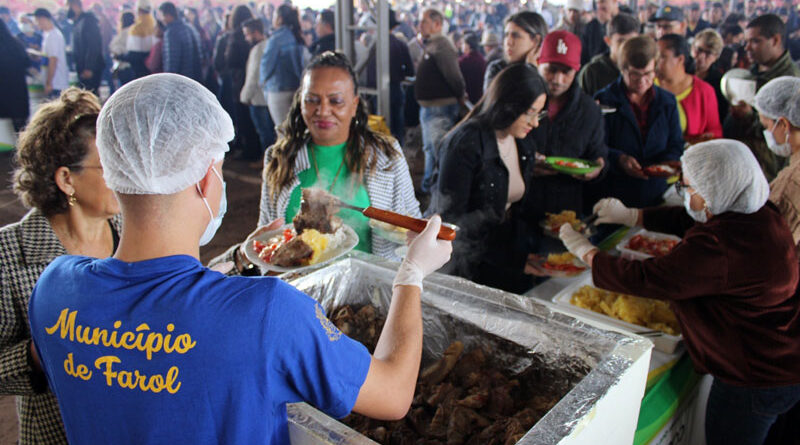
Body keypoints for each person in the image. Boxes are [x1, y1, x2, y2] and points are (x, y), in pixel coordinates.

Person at [27, 73, 451, 444]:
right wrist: (410, 275)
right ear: (205, 179)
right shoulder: (267, 311)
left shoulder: (54, 288)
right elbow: (394, 394)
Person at [559, 139, 800, 445]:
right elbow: (697, 219)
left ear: (713, 192)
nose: (684, 194)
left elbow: (649, 279)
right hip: (783, 361)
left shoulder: (720, 246)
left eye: (688, 187)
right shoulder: (759, 211)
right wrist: (634, 216)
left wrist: (587, 253)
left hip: (753, 377)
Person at [1, 88, 119, 445]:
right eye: (110, 165)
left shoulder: (132, 229)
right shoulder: (9, 253)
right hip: (58, 433)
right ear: (66, 179)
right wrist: (41, 353)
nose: (124, 174)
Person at [256, 52, 420, 261]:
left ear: (354, 105)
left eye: (336, 101)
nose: (323, 111)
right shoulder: (278, 157)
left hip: (371, 287)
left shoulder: (386, 154)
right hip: (297, 287)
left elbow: (412, 221)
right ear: (301, 103)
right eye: (312, 100)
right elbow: (267, 231)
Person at [429, 63, 548, 293]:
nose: (535, 123)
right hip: (469, 268)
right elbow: (452, 224)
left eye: (539, 113)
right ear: (508, 106)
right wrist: (512, 259)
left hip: (505, 255)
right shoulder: (465, 143)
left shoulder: (522, 141)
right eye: (530, 113)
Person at [526, 30, 608, 260]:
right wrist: (525, 164)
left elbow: (599, 154)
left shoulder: (590, 111)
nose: (557, 79)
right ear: (539, 62)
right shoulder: (520, 101)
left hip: (564, 215)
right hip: (519, 209)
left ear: (577, 70)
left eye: (566, 72)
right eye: (551, 69)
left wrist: (598, 169)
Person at [593, 36, 683, 208]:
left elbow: (676, 143)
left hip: (655, 193)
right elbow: (595, 146)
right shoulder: (604, 100)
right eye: (635, 74)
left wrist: (668, 162)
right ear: (622, 69)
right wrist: (619, 159)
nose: (642, 81)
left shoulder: (667, 101)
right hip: (614, 194)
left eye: (648, 74)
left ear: (655, 69)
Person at [725, 13, 800, 181]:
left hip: (771, 171)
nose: (747, 48)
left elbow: (789, 130)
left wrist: (750, 117)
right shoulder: (754, 72)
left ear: (775, 40)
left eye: (755, 41)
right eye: (746, 42)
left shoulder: (791, 82)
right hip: (747, 163)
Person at [415, 7, 466, 194]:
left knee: (436, 150)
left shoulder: (443, 45)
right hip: (431, 108)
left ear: (437, 25)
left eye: (424, 22)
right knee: (430, 149)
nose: (420, 25)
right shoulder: (432, 44)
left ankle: (433, 189)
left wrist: (460, 94)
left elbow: (454, 76)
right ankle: (429, 186)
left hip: (439, 108)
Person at [755, 77, 800, 247]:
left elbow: (768, 247)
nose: (768, 133)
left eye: (766, 126)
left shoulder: (790, 186)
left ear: (783, 125)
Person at [656, 34, 722, 143]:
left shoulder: (704, 91)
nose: (655, 62)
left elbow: (715, 131)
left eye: (662, 57)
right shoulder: (646, 86)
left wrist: (702, 140)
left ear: (680, 59)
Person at [260, 4, 308, 128]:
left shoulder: (276, 39)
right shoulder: (297, 36)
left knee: (282, 131)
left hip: (278, 91)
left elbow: (266, 66)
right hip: (297, 89)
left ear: (280, 18)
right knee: (296, 129)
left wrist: (262, 83)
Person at [224, 5, 260, 162]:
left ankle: (249, 151)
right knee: (253, 119)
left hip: (240, 81)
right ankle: (254, 150)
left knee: (243, 117)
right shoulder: (253, 38)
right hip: (254, 82)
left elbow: (230, 61)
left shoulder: (235, 37)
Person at [483, 11, 548, 91]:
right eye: (506, 35)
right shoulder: (497, 69)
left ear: (536, 41)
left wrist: (531, 71)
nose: (508, 42)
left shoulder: (548, 72)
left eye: (515, 36)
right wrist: (528, 70)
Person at [578, 13, 639, 96]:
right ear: (608, 41)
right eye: (621, 41)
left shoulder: (642, 71)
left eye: (631, 42)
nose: (626, 47)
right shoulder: (592, 73)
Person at [240, 18, 275, 157]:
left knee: (264, 132)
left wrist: (245, 96)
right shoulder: (270, 44)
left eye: (247, 34)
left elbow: (253, 77)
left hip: (257, 98)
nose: (246, 38)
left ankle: (267, 163)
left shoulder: (258, 49)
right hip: (268, 96)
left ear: (255, 32)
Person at [158, 1, 202, 82]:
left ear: (167, 15)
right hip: (192, 79)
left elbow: (172, 61)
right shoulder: (189, 27)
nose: (161, 20)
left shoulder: (171, 32)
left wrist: (168, 82)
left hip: (179, 81)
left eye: (161, 16)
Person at [67, 0, 104, 94]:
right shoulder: (78, 22)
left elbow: (93, 46)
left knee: (90, 94)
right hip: (82, 67)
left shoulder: (88, 20)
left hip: (90, 69)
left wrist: (89, 67)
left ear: (74, 6)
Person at [692, 29, 728, 124]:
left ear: (716, 57)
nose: (701, 56)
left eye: (708, 53)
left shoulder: (720, 82)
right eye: (699, 50)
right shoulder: (680, 71)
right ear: (692, 47)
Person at [0, 20, 29, 133]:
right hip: (18, 95)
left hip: (3, 95)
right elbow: (27, 63)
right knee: (21, 130)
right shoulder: (16, 43)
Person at [33, 8, 69, 99]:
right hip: (52, 81)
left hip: (56, 83)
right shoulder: (47, 35)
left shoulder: (54, 36)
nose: (38, 24)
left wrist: (49, 83)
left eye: (38, 21)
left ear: (43, 19)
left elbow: (53, 60)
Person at [126, 0, 157, 80]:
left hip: (139, 69)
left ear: (138, 10)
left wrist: (121, 56)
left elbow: (133, 53)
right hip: (154, 68)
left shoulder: (136, 28)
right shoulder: (156, 26)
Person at [581, 0, 619, 65]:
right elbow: (584, 57)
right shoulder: (591, 27)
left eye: (603, 1)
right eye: (597, 3)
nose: (599, 6)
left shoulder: (628, 23)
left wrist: (607, 24)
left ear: (614, 1)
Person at [459, 32, 486, 104]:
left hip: (467, 99)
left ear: (468, 45)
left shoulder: (463, 61)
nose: (461, 46)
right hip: (480, 98)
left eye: (463, 44)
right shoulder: (481, 59)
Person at [109, 11, 136, 86]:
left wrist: (117, 54)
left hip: (125, 67)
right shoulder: (134, 31)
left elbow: (115, 48)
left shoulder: (124, 33)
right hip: (130, 67)